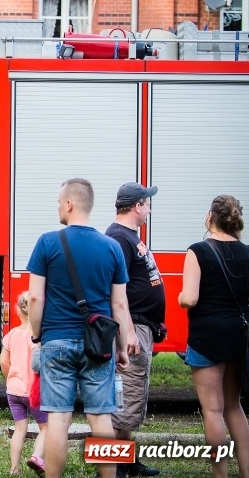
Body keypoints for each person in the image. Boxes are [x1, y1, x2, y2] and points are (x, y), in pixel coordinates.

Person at [26, 178, 137, 478]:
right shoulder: (112, 247)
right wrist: (121, 348)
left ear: (69, 204)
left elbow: (35, 297)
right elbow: (120, 306)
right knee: (101, 419)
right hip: (98, 345)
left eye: (59, 202)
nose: (58, 207)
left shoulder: (48, 242)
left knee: (59, 419)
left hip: (56, 341)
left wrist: (37, 335)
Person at [178, 195, 249, 478]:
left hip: (207, 338)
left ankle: (220, 475)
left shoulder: (198, 251)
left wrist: (182, 296)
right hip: (239, 337)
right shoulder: (246, 252)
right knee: (235, 407)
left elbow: (190, 299)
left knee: (213, 410)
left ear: (210, 217)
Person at [105, 182, 164, 478]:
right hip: (133, 328)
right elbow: (118, 292)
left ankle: (125, 462)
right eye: (147, 202)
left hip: (142, 325)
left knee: (129, 399)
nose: (150, 207)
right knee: (123, 399)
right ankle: (112, 468)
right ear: (136, 206)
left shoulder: (127, 236)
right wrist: (126, 332)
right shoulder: (118, 238)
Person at [1, 292, 47, 476]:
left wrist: (9, 379)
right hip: (33, 391)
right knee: (46, 427)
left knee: (20, 429)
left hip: (13, 390)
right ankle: (36, 457)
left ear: (18, 311)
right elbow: (39, 365)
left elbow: (4, 362)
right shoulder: (36, 337)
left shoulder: (11, 334)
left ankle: (14, 468)